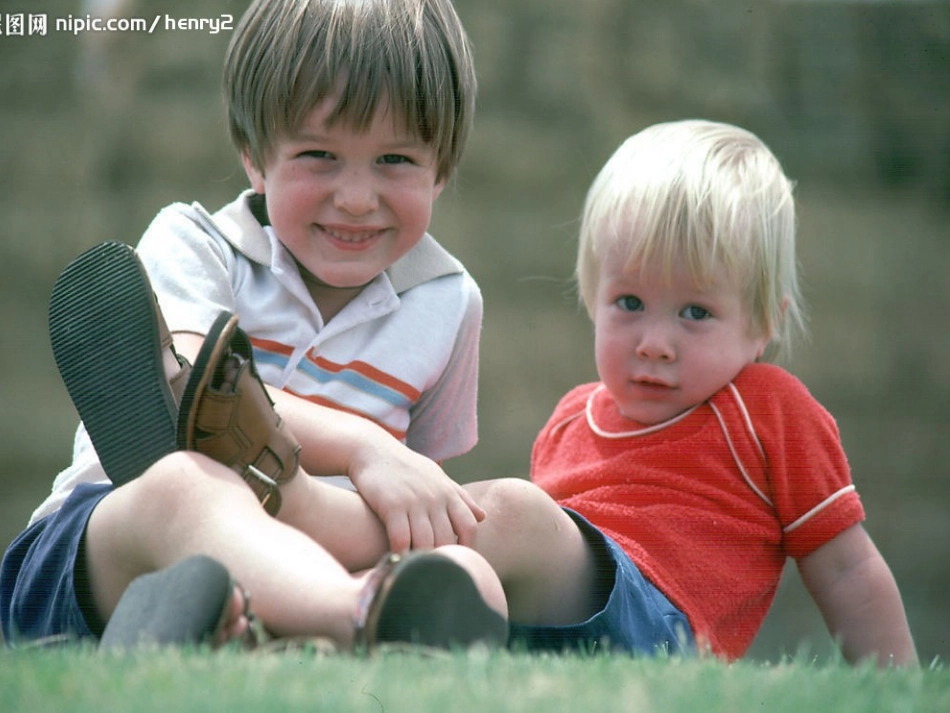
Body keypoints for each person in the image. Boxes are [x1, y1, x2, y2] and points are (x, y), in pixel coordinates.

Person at [0, 0, 510, 650]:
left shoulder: (449, 301)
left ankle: (242, 622)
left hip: (314, 552)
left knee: (462, 565)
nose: (356, 197)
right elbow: (186, 384)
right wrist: (365, 445)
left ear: (442, 168)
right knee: (189, 485)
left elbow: (416, 492)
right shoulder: (196, 244)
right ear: (252, 154)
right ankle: (351, 614)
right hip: (105, 538)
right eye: (320, 155)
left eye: (396, 160)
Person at [486, 119, 917, 665]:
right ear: (592, 296)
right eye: (630, 302)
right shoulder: (572, 417)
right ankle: (366, 596)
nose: (655, 344)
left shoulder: (767, 408)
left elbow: (846, 567)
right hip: (549, 627)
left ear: (763, 323)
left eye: (696, 312)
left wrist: (899, 683)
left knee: (503, 511)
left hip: (660, 629)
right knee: (474, 535)